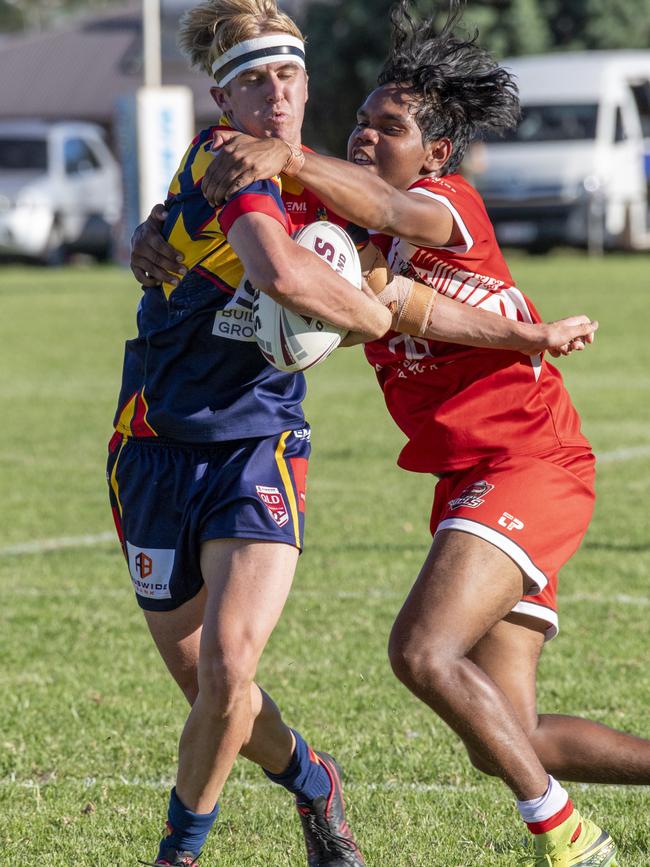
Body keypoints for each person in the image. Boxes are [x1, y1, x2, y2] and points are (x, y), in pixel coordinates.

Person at [134, 2, 650, 864]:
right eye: (362, 122)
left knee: (419, 649)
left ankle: (568, 837)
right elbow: (367, 286)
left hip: (528, 463)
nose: (366, 137)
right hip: (467, 480)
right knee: (504, 736)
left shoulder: (448, 206)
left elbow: (386, 218)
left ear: (436, 153)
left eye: (392, 126)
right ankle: (558, 800)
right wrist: (157, 227)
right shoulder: (347, 227)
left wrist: (293, 154)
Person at [109, 2, 397, 866]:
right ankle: (316, 780)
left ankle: (178, 853)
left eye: (288, 75)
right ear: (222, 99)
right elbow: (276, 269)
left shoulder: (328, 187)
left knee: (231, 669)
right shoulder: (222, 158)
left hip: (257, 444)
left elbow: (383, 227)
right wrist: (373, 317)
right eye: (253, 81)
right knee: (213, 689)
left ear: (308, 81)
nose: (275, 94)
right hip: (151, 447)